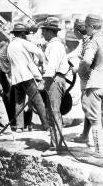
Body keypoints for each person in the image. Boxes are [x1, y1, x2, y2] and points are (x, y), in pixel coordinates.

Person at [7, 23, 49, 133]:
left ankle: (20, 127)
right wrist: (40, 60)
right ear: (21, 33)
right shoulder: (23, 42)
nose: (25, 35)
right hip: (26, 76)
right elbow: (39, 52)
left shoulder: (10, 45)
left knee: (19, 102)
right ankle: (46, 125)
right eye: (24, 33)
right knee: (38, 101)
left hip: (16, 78)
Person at [38, 17, 70, 155]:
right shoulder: (54, 45)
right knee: (53, 112)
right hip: (55, 80)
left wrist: (43, 82)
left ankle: (56, 146)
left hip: (54, 80)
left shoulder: (55, 46)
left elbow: (52, 67)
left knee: (53, 112)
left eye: (43, 31)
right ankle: (56, 143)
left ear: (49, 31)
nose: (41, 34)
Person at [78, 14, 103, 155]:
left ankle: (100, 154)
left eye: (86, 27)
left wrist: (81, 72)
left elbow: (87, 60)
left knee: (95, 121)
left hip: (95, 83)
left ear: (92, 26)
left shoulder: (94, 41)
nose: (85, 29)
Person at [70, 19, 92, 145]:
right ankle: (85, 135)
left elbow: (87, 61)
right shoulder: (84, 41)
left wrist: (77, 69)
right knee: (88, 108)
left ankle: (91, 138)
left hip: (90, 80)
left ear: (78, 31)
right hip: (87, 79)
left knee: (92, 109)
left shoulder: (89, 42)